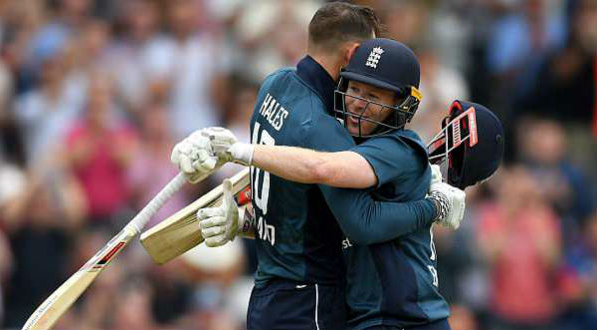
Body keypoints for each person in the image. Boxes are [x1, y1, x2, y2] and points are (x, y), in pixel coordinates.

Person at [172, 4, 465, 330]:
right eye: (358, 87)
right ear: (353, 54)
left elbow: (302, 209)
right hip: (310, 298)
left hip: (269, 295)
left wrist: (244, 219)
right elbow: (352, 214)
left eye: (374, 94)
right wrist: (431, 207)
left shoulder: (275, 84)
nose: (358, 101)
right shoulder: (326, 129)